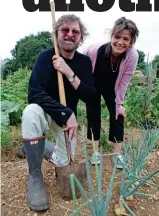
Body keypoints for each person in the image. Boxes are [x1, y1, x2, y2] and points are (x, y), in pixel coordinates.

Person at [21, 14, 95, 211]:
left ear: (81, 37)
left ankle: (41, 148)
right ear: (56, 35)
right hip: (48, 114)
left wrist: (69, 73)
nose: (70, 34)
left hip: (65, 121)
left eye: (75, 31)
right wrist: (65, 113)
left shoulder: (84, 62)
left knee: (63, 161)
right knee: (31, 112)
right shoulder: (45, 57)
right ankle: (35, 175)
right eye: (65, 30)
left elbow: (90, 96)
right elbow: (34, 93)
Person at [83, 17, 139, 168]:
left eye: (126, 39)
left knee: (118, 114)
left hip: (113, 86)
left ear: (131, 42)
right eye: (117, 37)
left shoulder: (132, 56)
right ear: (112, 36)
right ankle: (96, 152)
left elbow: (124, 82)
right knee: (93, 115)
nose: (120, 42)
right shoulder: (96, 50)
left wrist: (119, 104)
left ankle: (117, 154)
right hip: (94, 83)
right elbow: (81, 60)